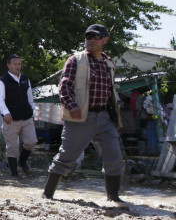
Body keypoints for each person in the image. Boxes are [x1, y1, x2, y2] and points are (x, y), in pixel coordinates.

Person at [43, 24, 125, 203]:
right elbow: (64, 86)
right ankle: (47, 195)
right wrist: (71, 106)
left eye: (96, 37)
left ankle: (113, 197)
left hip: (104, 117)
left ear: (105, 40)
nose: (91, 40)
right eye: (88, 37)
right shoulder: (76, 60)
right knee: (66, 156)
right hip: (80, 117)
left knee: (115, 157)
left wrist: (117, 117)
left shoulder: (108, 63)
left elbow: (111, 92)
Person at [0, 54, 37, 178]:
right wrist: (5, 112)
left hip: (26, 117)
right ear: (8, 65)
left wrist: (32, 110)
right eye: (15, 64)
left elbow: (30, 97)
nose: (17, 66)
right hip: (11, 119)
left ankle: (22, 161)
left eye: (19, 64)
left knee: (31, 141)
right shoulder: (2, 80)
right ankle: (14, 173)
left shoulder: (25, 79)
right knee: (12, 147)